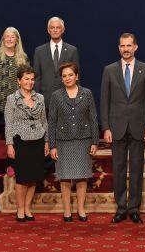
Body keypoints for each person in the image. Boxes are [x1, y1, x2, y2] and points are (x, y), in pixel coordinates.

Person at [100, 33, 145, 224]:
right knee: (119, 168)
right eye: (122, 46)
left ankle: (134, 208)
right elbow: (104, 101)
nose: (126, 49)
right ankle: (121, 207)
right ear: (119, 48)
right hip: (116, 126)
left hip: (139, 126)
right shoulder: (109, 70)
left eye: (129, 45)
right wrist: (105, 127)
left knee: (137, 168)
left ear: (135, 47)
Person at [48, 62, 99, 222]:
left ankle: (81, 209)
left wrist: (95, 141)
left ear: (77, 76)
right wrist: (52, 145)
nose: (67, 78)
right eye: (64, 76)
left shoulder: (87, 93)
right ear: (61, 79)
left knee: (82, 176)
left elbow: (93, 118)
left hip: (84, 140)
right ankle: (67, 211)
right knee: (64, 177)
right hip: (63, 141)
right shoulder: (56, 96)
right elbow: (52, 122)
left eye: (70, 75)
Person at [5, 66, 49, 222]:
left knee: (33, 177)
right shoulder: (12, 99)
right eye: (26, 79)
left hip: (38, 140)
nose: (30, 82)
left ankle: (28, 208)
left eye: (32, 79)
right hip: (20, 142)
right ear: (19, 81)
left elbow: (44, 121)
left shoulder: (40, 98)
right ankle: (20, 209)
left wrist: (47, 141)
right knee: (22, 178)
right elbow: (8, 123)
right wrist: (9, 144)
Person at [0, 27, 28, 174]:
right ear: (3, 39)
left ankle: (12, 165)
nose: (9, 39)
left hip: (15, 104)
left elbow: (27, 80)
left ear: (17, 40)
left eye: (12, 37)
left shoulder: (23, 58)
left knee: (15, 136)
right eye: (6, 36)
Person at [33, 16, 80, 112]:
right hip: (44, 102)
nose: (55, 30)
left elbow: (76, 77)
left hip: (67, 101)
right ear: (48, 30)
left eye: (58, 28)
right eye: (52, 27)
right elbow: (36, 78)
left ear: (63, 30)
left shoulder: (72, 50)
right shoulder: (39, 51)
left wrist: (76, 100)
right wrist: (37, 101)